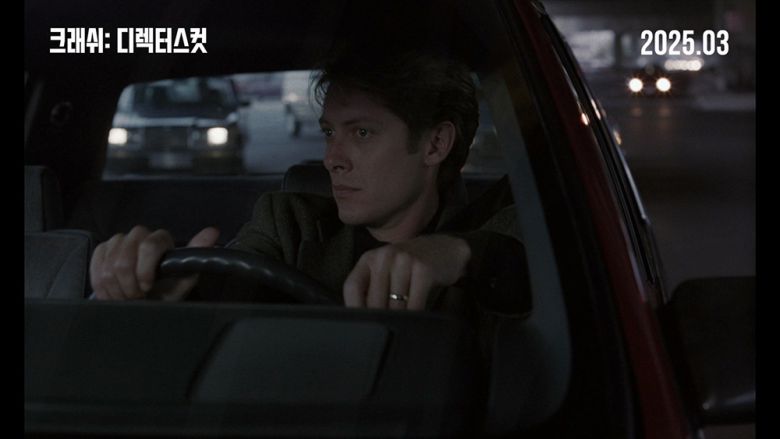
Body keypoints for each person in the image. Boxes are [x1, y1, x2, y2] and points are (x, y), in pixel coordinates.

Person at [90, 48, 530, 316]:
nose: (331, 159)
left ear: (435, 144)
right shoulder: (289, 223)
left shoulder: (509, 223)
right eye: (329, 132)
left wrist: (456, 254)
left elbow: (519, 262)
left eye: (362, 132)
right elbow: (233, 286)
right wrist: (172, 288)